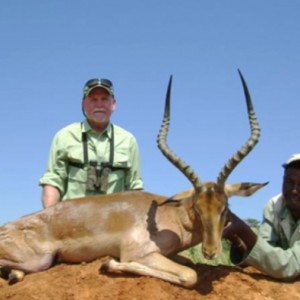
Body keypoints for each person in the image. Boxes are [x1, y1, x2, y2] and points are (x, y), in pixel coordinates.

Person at [39, 78, 144, 208]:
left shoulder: (128, 140)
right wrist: (50, 217)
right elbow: (53, 181)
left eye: (104, 99)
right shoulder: (64, 136)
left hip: (114, 223)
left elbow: (134, 188)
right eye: (93, 99)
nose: (99, 105)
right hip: (71, 221)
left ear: (113, 104)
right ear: (84, 104)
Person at [223, 153, 300, 280]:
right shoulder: (275, 206)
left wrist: (245, 231)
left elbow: (291, 266)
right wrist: (238, 240)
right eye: (289, 182)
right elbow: (267, 251)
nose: (294, 190)